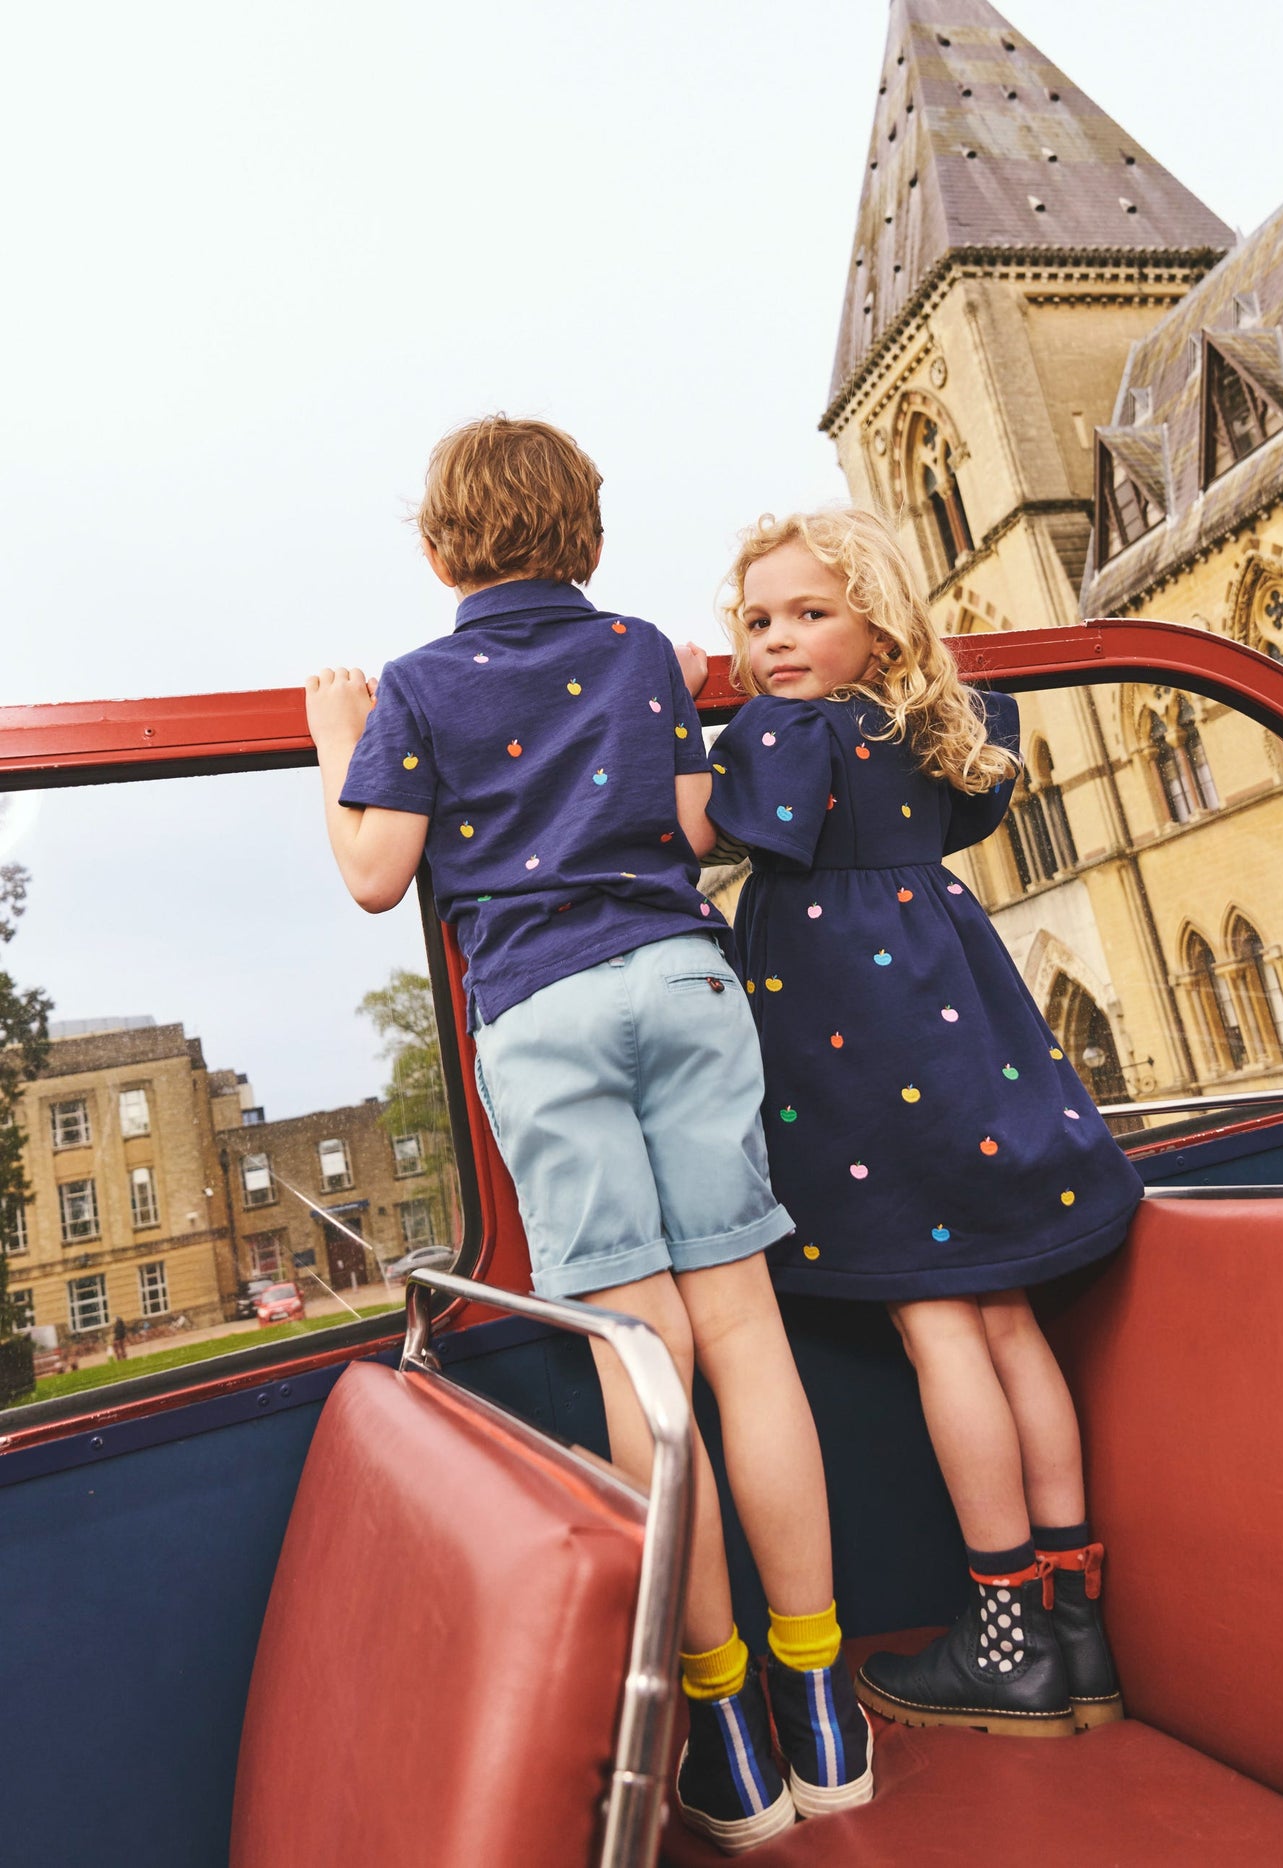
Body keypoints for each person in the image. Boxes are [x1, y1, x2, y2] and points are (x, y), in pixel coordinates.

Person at [304, 418, 871, 1852]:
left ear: (436, 551)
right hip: (681, 981)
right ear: (593, 541)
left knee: (643, 1353)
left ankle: (722, 1729)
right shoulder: (634, 653)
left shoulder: (416, 687)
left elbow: (375, 872)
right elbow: (694, 828)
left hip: (542, 1013)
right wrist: (667, 687)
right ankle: (823, 1705)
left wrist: (333, 744)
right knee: (745, 1333)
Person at [699, 507, 1144, 1737]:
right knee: (1008, 1323)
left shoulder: (784, 733)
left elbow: (700, 833)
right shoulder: (938, 727)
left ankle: (1003, 1637)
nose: (775, 639)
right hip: (964, 1041)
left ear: (879, 624)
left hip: (861, 1052)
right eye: (757, 619)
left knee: (938, 1326)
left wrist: (671, 730)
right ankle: (1076, 1629)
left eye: (809, 613)